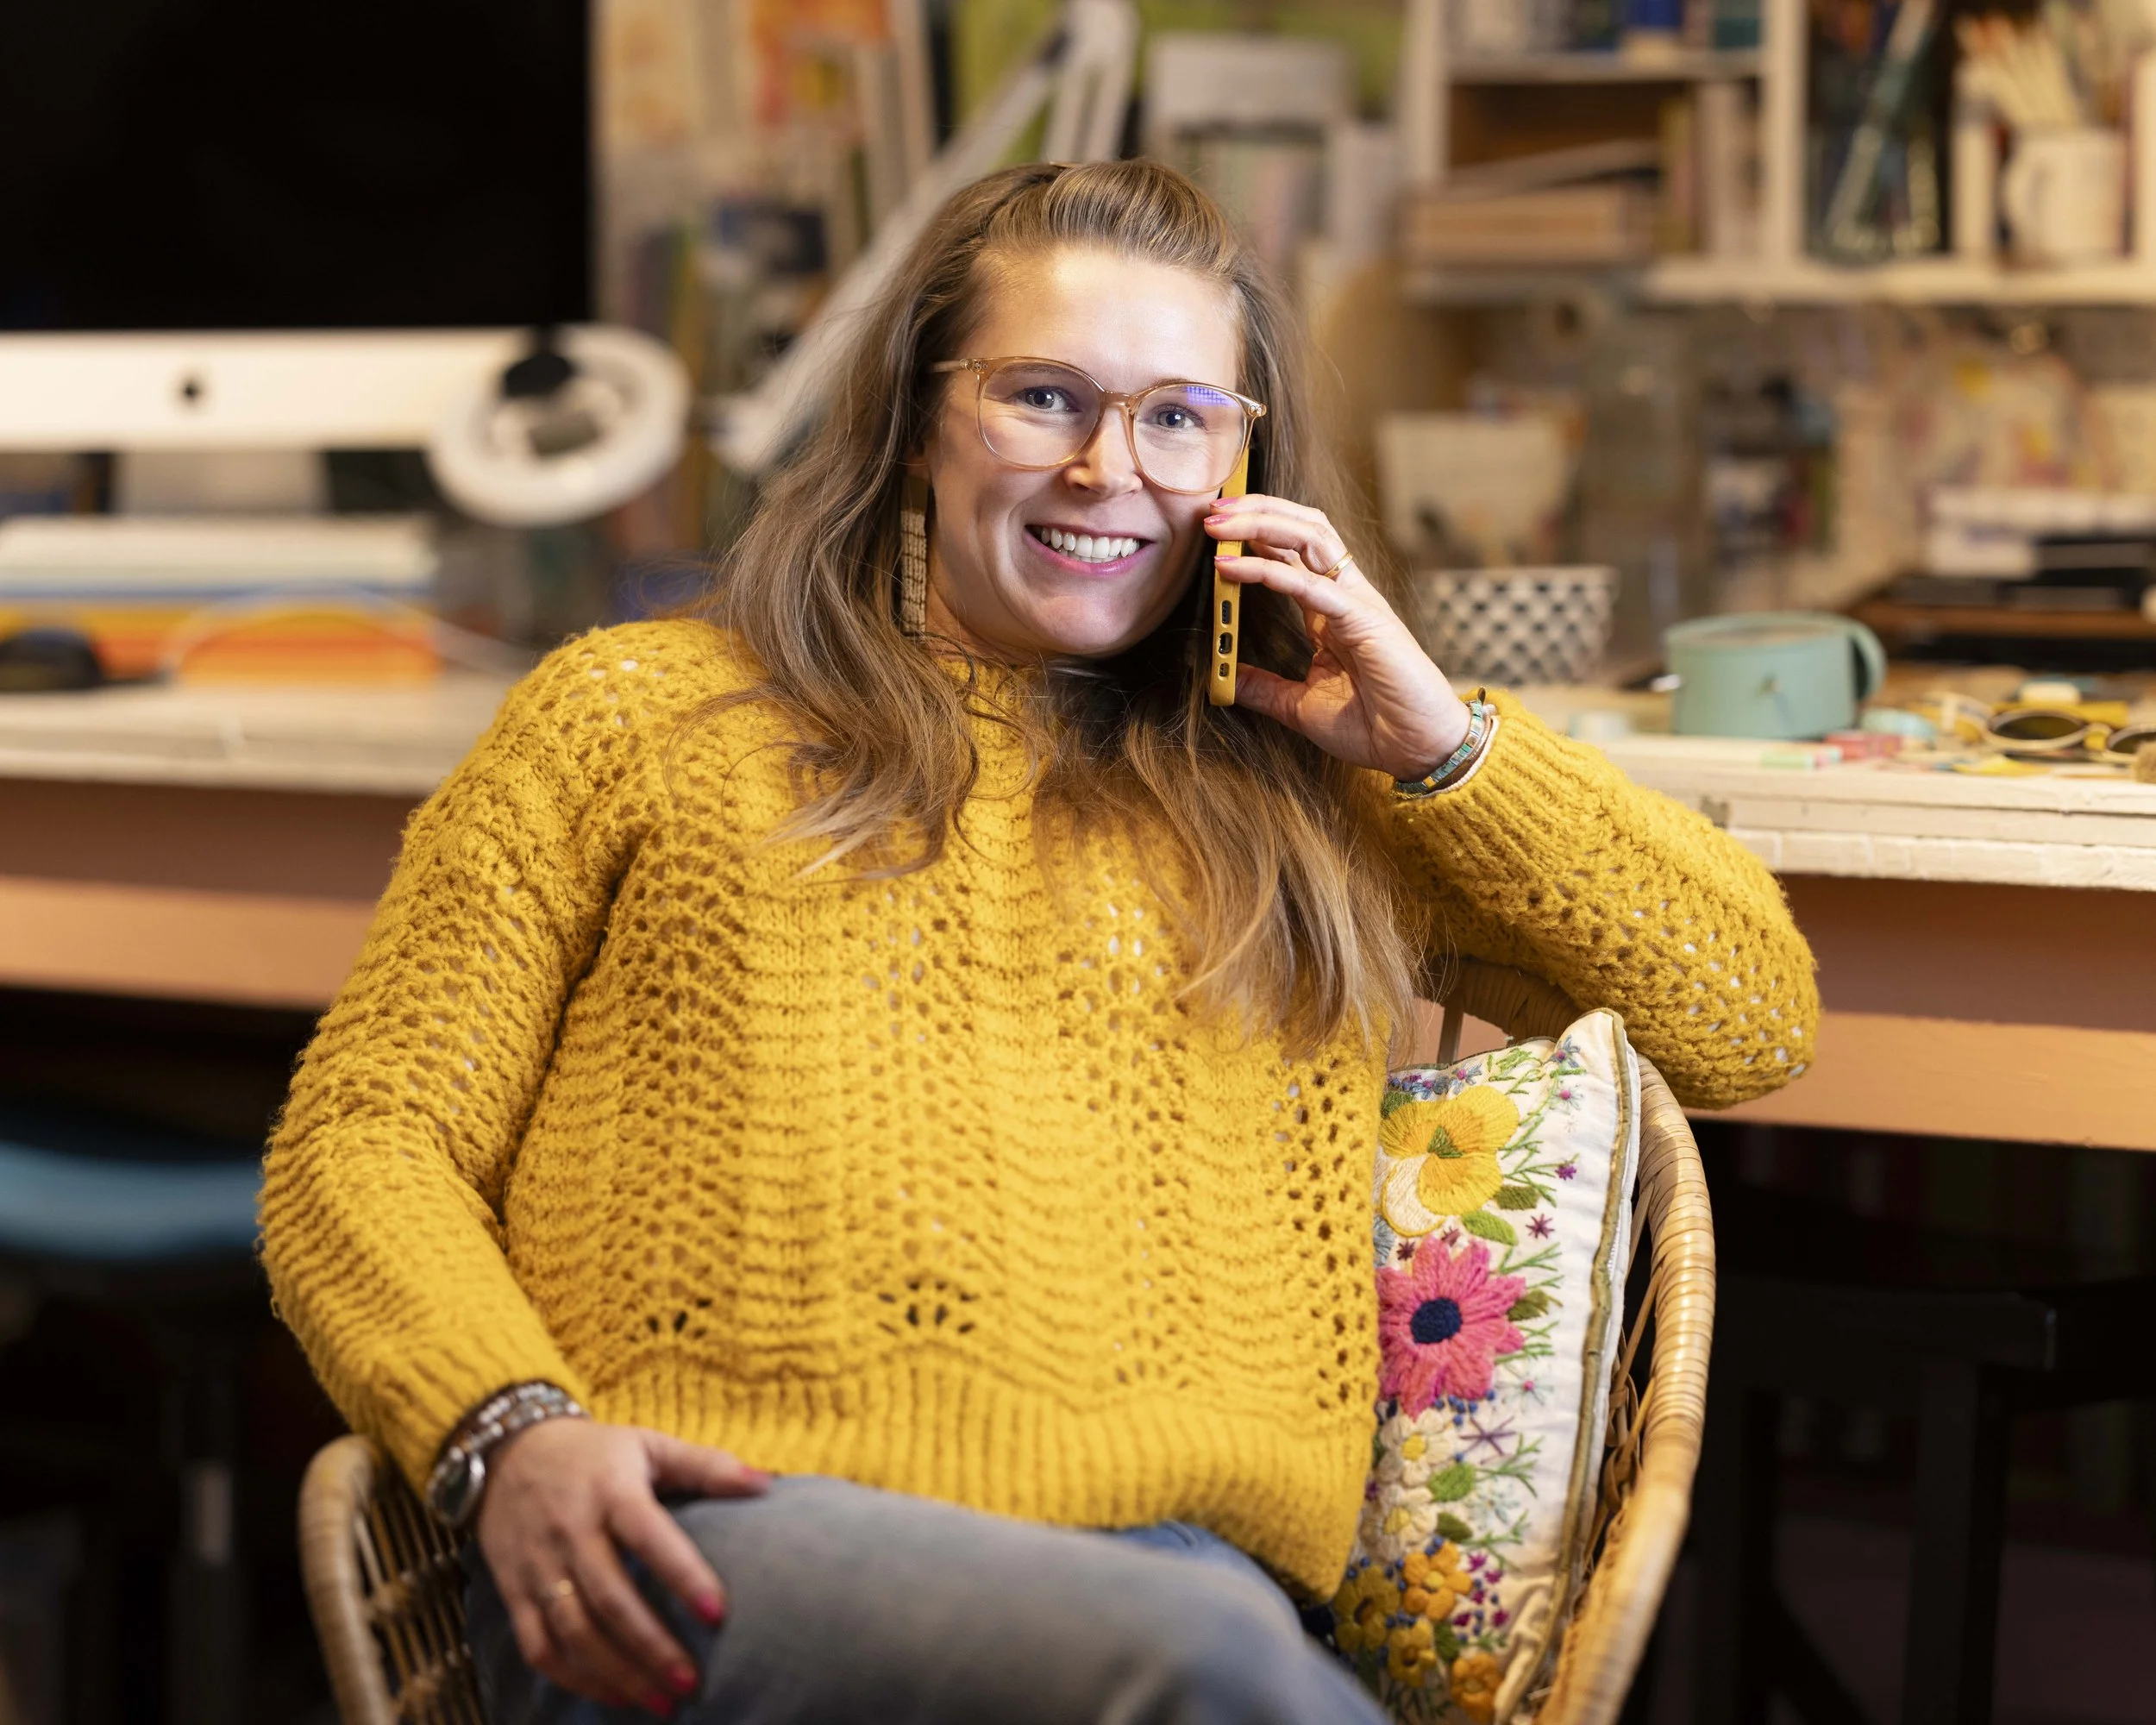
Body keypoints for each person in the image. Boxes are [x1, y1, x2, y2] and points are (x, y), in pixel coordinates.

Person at [260, 160, 1817, 1725]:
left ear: (1246, 464)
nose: (1107, 468)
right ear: (921, 418)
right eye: (1044, 397)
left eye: (1178, 417)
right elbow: (365, 1138)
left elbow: (1746, 1014)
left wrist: (1441, 741)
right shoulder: (636, 717)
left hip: (1193, 1587)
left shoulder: (1302, 805)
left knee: (1209, 1655)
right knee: (1206, 1673)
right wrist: (506, 1432)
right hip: (718, 1553)